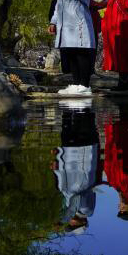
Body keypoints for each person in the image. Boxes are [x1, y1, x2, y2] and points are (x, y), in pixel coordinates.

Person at [47, 0, 96, 93]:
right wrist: (53, 22)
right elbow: (58, 6)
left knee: (81, 53)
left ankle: (84, 85)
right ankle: (75, 84)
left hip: (78, 24)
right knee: (71, 53)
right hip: (65, 25)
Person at [52, 100, 100, 233]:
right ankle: (82, 95)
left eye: (70, 224)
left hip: (68, 155)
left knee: (67, 122)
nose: (71, 222)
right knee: (83, 118)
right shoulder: (86, 209)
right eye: (73, 225)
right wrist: (63, 220)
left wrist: (57, 164)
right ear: (83, 222)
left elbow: (63, 184)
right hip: (83, 153)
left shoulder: (70, 206)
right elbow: (76, 197)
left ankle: (68, 98)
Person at [104, 101, 128, 221]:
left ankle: (122, 100)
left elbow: (109, 167)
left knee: (117, 118)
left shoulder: (117, 189)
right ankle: (127, 100)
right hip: (124, 147)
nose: (121, 207)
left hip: (115, 147)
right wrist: (122, 194)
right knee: (126, 117)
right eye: (124, 210)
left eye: (120, 210)